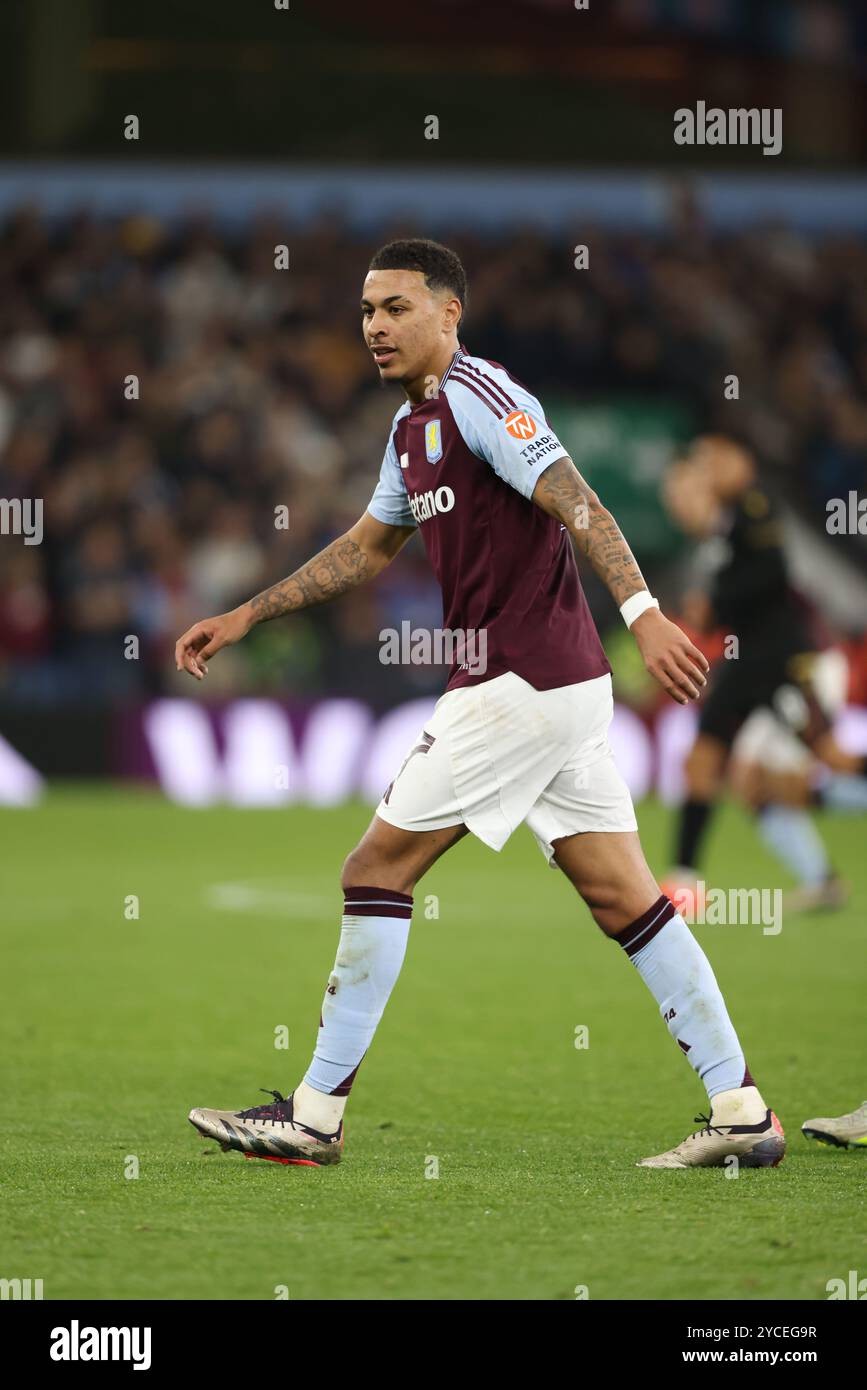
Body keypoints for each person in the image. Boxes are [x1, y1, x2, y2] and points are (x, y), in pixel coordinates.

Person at [177, 240, 784, 1170]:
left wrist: (646, 612)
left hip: (517, 681)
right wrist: (249, 613)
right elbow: (367, 550)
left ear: (448, 313)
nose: (375, 326)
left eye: (396, 308)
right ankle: (740, 1110)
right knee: (624, 896)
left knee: (374, 869)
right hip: (558, 689)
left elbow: (579, 502)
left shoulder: (481, 397)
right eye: (367, 311)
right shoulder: (408, 430)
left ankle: (314, 1116)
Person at [662, 438, 867, 895]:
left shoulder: (754, 509)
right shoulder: (718, 535)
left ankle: (820, 879)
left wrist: (714, 605)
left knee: (826, 762)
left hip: (785, 661)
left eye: (708, 466)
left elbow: (772, 572)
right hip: (748, 666)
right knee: (712, 764)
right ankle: (685, 881)